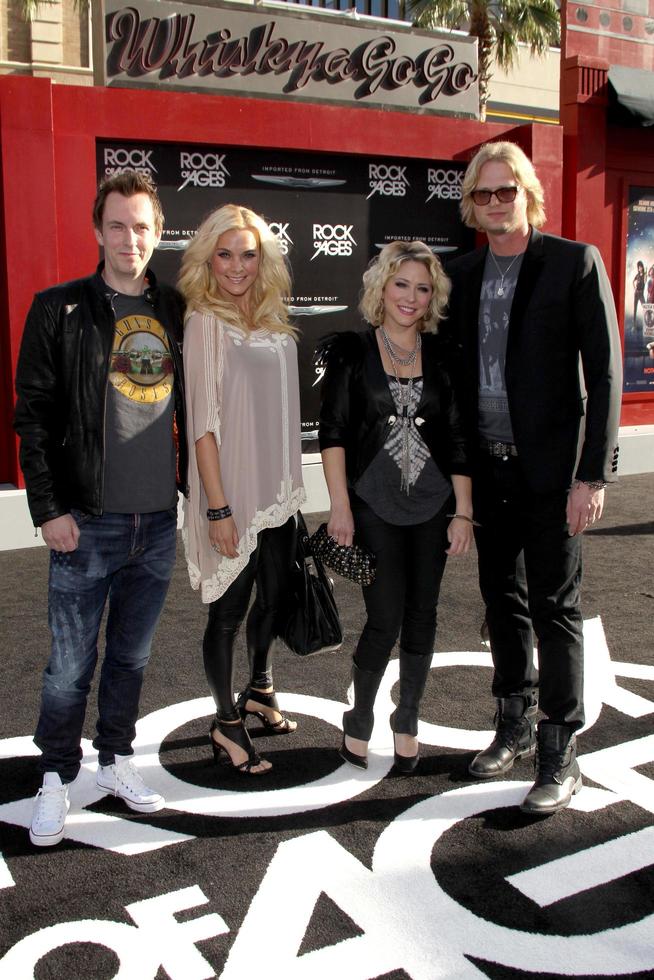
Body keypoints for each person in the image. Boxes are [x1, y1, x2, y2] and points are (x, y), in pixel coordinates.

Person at [445, 141, 622, 815]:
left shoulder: (574, 264)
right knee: (503, 603)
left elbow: (603, 375)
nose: (494, 204)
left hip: (552, 474)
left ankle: (560, 751)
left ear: (527, 194)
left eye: (505, 192)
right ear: (472, 204)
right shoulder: (459, 275)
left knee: (555, 608)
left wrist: (591, 475)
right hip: (489, 472)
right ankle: (512, 727)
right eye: (483, 195)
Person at [14, 171, 188, 846]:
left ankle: (115, 759)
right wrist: (49, 508)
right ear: (97, 231)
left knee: (132, 659)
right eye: (117, 225)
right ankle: (55, 775)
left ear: (157, 231)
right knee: (67, 664)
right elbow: (31, 417)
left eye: (142, 226)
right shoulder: (58, 309)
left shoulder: (176, 308)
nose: (129, 238)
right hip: (87, 521)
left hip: (157, 522)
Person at [317, 240, 473, 773]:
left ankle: (407, 719)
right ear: (381, 288)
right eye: (401, 284)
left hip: (434, 507)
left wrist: (464, 512)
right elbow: (333, 434)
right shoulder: (351, 352)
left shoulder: (445, 355)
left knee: (423, 616)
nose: (411, 297)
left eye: (423, 288)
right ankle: (359, 717)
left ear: (433, 298)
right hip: (373, 507)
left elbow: (457, 438)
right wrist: (339, 506)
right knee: (384, 618)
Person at [179, 204, 305, 775]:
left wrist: (292, 497)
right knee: (227, 614)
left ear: (265, 258)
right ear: (208, 258)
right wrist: (217, 506)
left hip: (277, 497)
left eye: (248, 254)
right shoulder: (205, 322)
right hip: (231, 495)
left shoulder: (277, 323)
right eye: (224, 254)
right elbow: (202, 423)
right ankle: (226, 722)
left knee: (275, 602)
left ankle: (260, 687)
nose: (236, 266)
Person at [632, 260, 645, 331]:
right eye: (639, 267)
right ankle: (634, 325)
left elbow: (646, 278)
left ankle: (648, 324)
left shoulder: (644, 274)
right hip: (636, 293)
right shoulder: (637, 275)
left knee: (645, 307)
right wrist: (634, 288)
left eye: (641, 267)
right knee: (635, 309)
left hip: (641, 293)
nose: (640, 268)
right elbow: (633, 281)